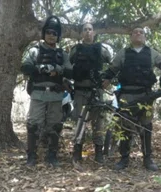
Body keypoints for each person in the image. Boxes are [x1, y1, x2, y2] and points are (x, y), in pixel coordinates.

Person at [102, 26, 161, 171]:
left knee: (146, 126)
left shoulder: (151, 53)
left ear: (145, 36)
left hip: (146, 95)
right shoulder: (123, 53)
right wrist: (104, 81)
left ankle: (147, 159)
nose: (138, 34)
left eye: (141, 32)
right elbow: (112, 70)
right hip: (126, 95)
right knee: (125, 126)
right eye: (135, 32)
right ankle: (124, 159)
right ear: (131, 36)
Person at [21, 16, 73, 167]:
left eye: (55, 33)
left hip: (56, 95)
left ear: (58, 36)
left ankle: (52, 156)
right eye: (49, 32)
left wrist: (57, 70)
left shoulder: (62, 54)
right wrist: (40, 68)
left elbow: (70, 71)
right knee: (33, 125)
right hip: (38, 93)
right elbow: (25, 66)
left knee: (55, 125)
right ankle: (31, 156)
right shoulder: (35, 50)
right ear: (44, 33)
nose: (51, 35)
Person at [69, 23, 112, 165]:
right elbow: (67, 67)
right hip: (80, 90)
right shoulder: (75, 50)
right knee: (80, 122)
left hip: (96, 91)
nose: (87, 32)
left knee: (98, 122)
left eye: (90, 29)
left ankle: (99, 153)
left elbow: (113, 65)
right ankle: (77, 152)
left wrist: (108, 79)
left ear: (94, 33)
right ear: (81, 33)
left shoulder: (102, 50)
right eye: (85, 30)